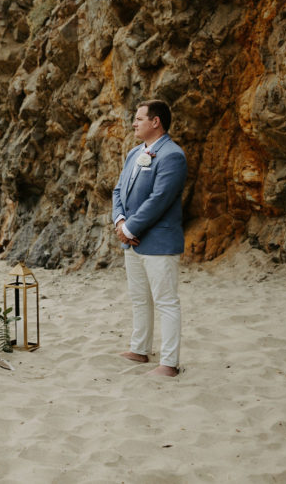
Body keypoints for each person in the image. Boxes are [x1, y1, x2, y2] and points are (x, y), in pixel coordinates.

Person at [111, 99, 188, 378]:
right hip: (131, 239)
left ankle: (169, 363)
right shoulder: (134, 153)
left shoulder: (172, 155)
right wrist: (119, 220)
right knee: (139, 298)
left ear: (156, 122)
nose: (134, 122)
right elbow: (118, 190)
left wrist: (130, 228)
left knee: (166, 301)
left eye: (140, 118)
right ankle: (139, 349)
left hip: (157, 242)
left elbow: (160, 199)